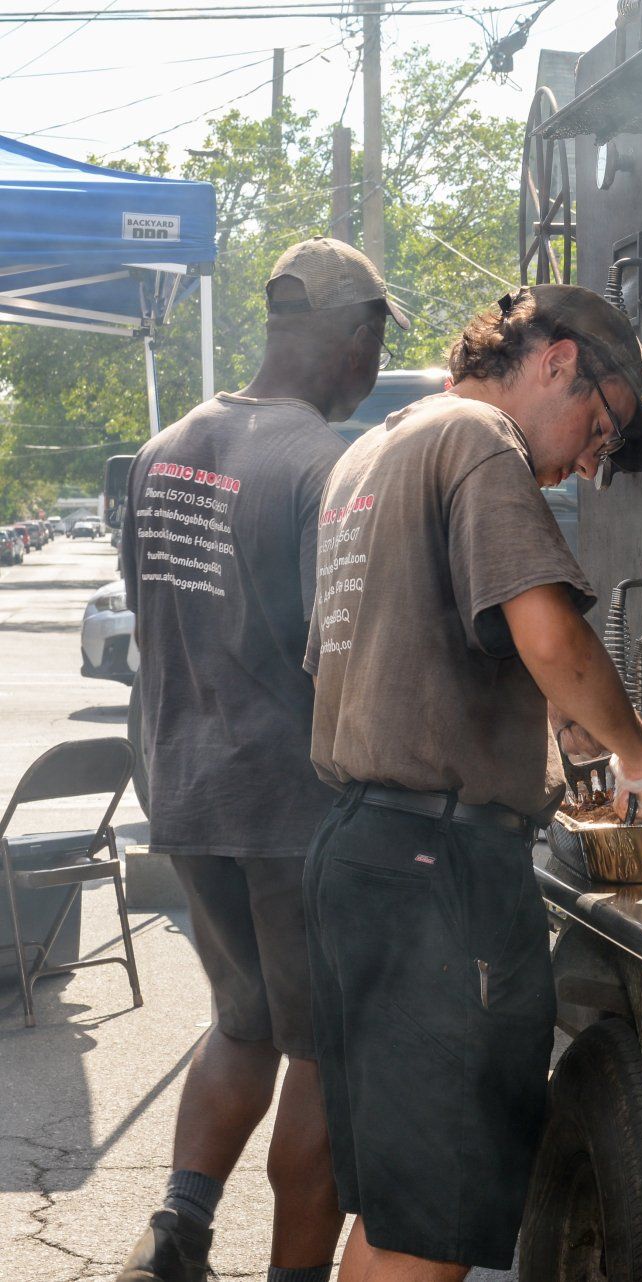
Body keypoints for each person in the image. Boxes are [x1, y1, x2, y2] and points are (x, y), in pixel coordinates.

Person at [302, 284, 642, 1281]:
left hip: (361, 851)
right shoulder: (479, 438)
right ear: (556, 360)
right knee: (436, 1225)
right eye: (600, 425)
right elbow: (550, 634)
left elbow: (400, 653)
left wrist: (554, 737)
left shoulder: (372, 453)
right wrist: (640, 758)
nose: (593, 462)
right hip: (440, 875)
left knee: (395, 1203)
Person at [116, 238, 408, 1282]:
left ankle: (178, 1234)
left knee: (240, 1020)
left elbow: (157, 623)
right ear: (349, 334)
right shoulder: (323, 467)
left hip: (185, 794)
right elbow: (350, 653)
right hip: (291, 812)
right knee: (325, 1053)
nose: (374, 365)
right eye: (376, 340)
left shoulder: (164, 448)